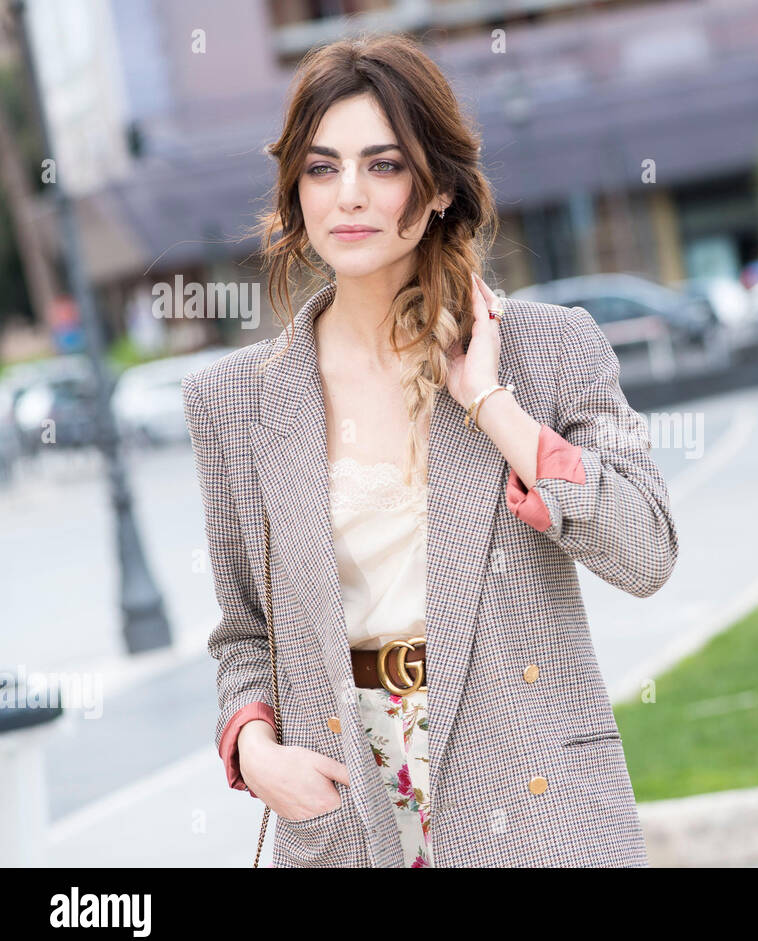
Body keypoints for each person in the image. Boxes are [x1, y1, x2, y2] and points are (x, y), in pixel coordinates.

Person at [181, 35, 678, 867]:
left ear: (439, 185)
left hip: (530, 789)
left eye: (383, 165)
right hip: (346, 803)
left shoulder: (547, 352)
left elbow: (647, 551)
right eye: (321, 168)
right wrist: (256, 753)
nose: (349, 197)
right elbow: (244, 632)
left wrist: (489, 404)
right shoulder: (235, 402)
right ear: (294, 190)